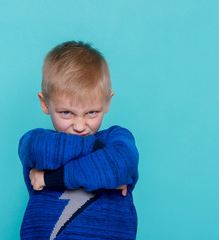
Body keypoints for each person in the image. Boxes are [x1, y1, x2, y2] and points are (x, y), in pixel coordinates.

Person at [18, 41, 139, 240]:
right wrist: (102, 166)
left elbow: (122, 163)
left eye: (91, 112)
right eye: (67, 113)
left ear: (107, 102)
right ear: (44, 103)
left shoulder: (117, 138)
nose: (80, 126)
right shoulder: (36, 142)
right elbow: (35, 149)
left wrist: (49, 179)